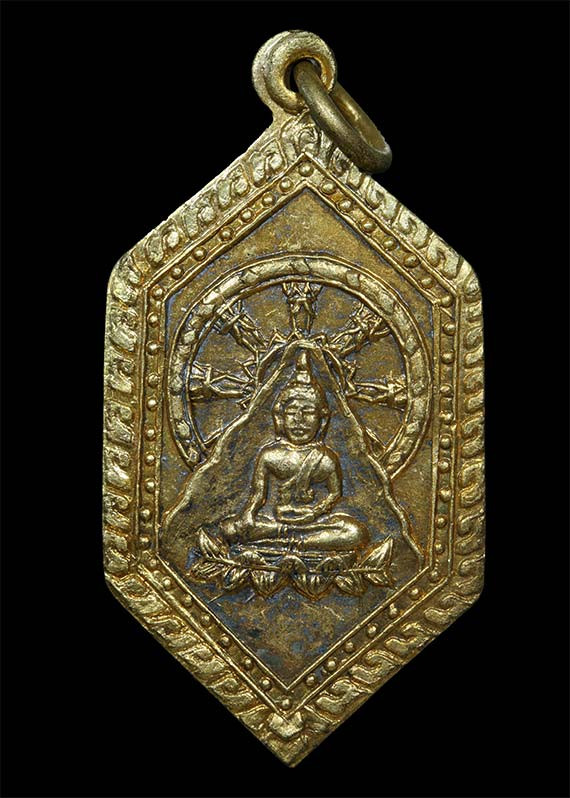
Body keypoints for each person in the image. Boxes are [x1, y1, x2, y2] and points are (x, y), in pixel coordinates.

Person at [222, 352, 370, 552]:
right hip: (276, 521)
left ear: (322, 419)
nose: (299, 420)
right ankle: (294, 541)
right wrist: (248, 514)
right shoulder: (270, 455)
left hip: (313, 523)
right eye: (291, 412)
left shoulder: (325, 459)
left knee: (355, 532)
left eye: (308, 412)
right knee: (230, 529)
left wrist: (314, 512)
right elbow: (257, 495)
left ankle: (289, 543)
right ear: (280, 418)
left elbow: (335, 493)